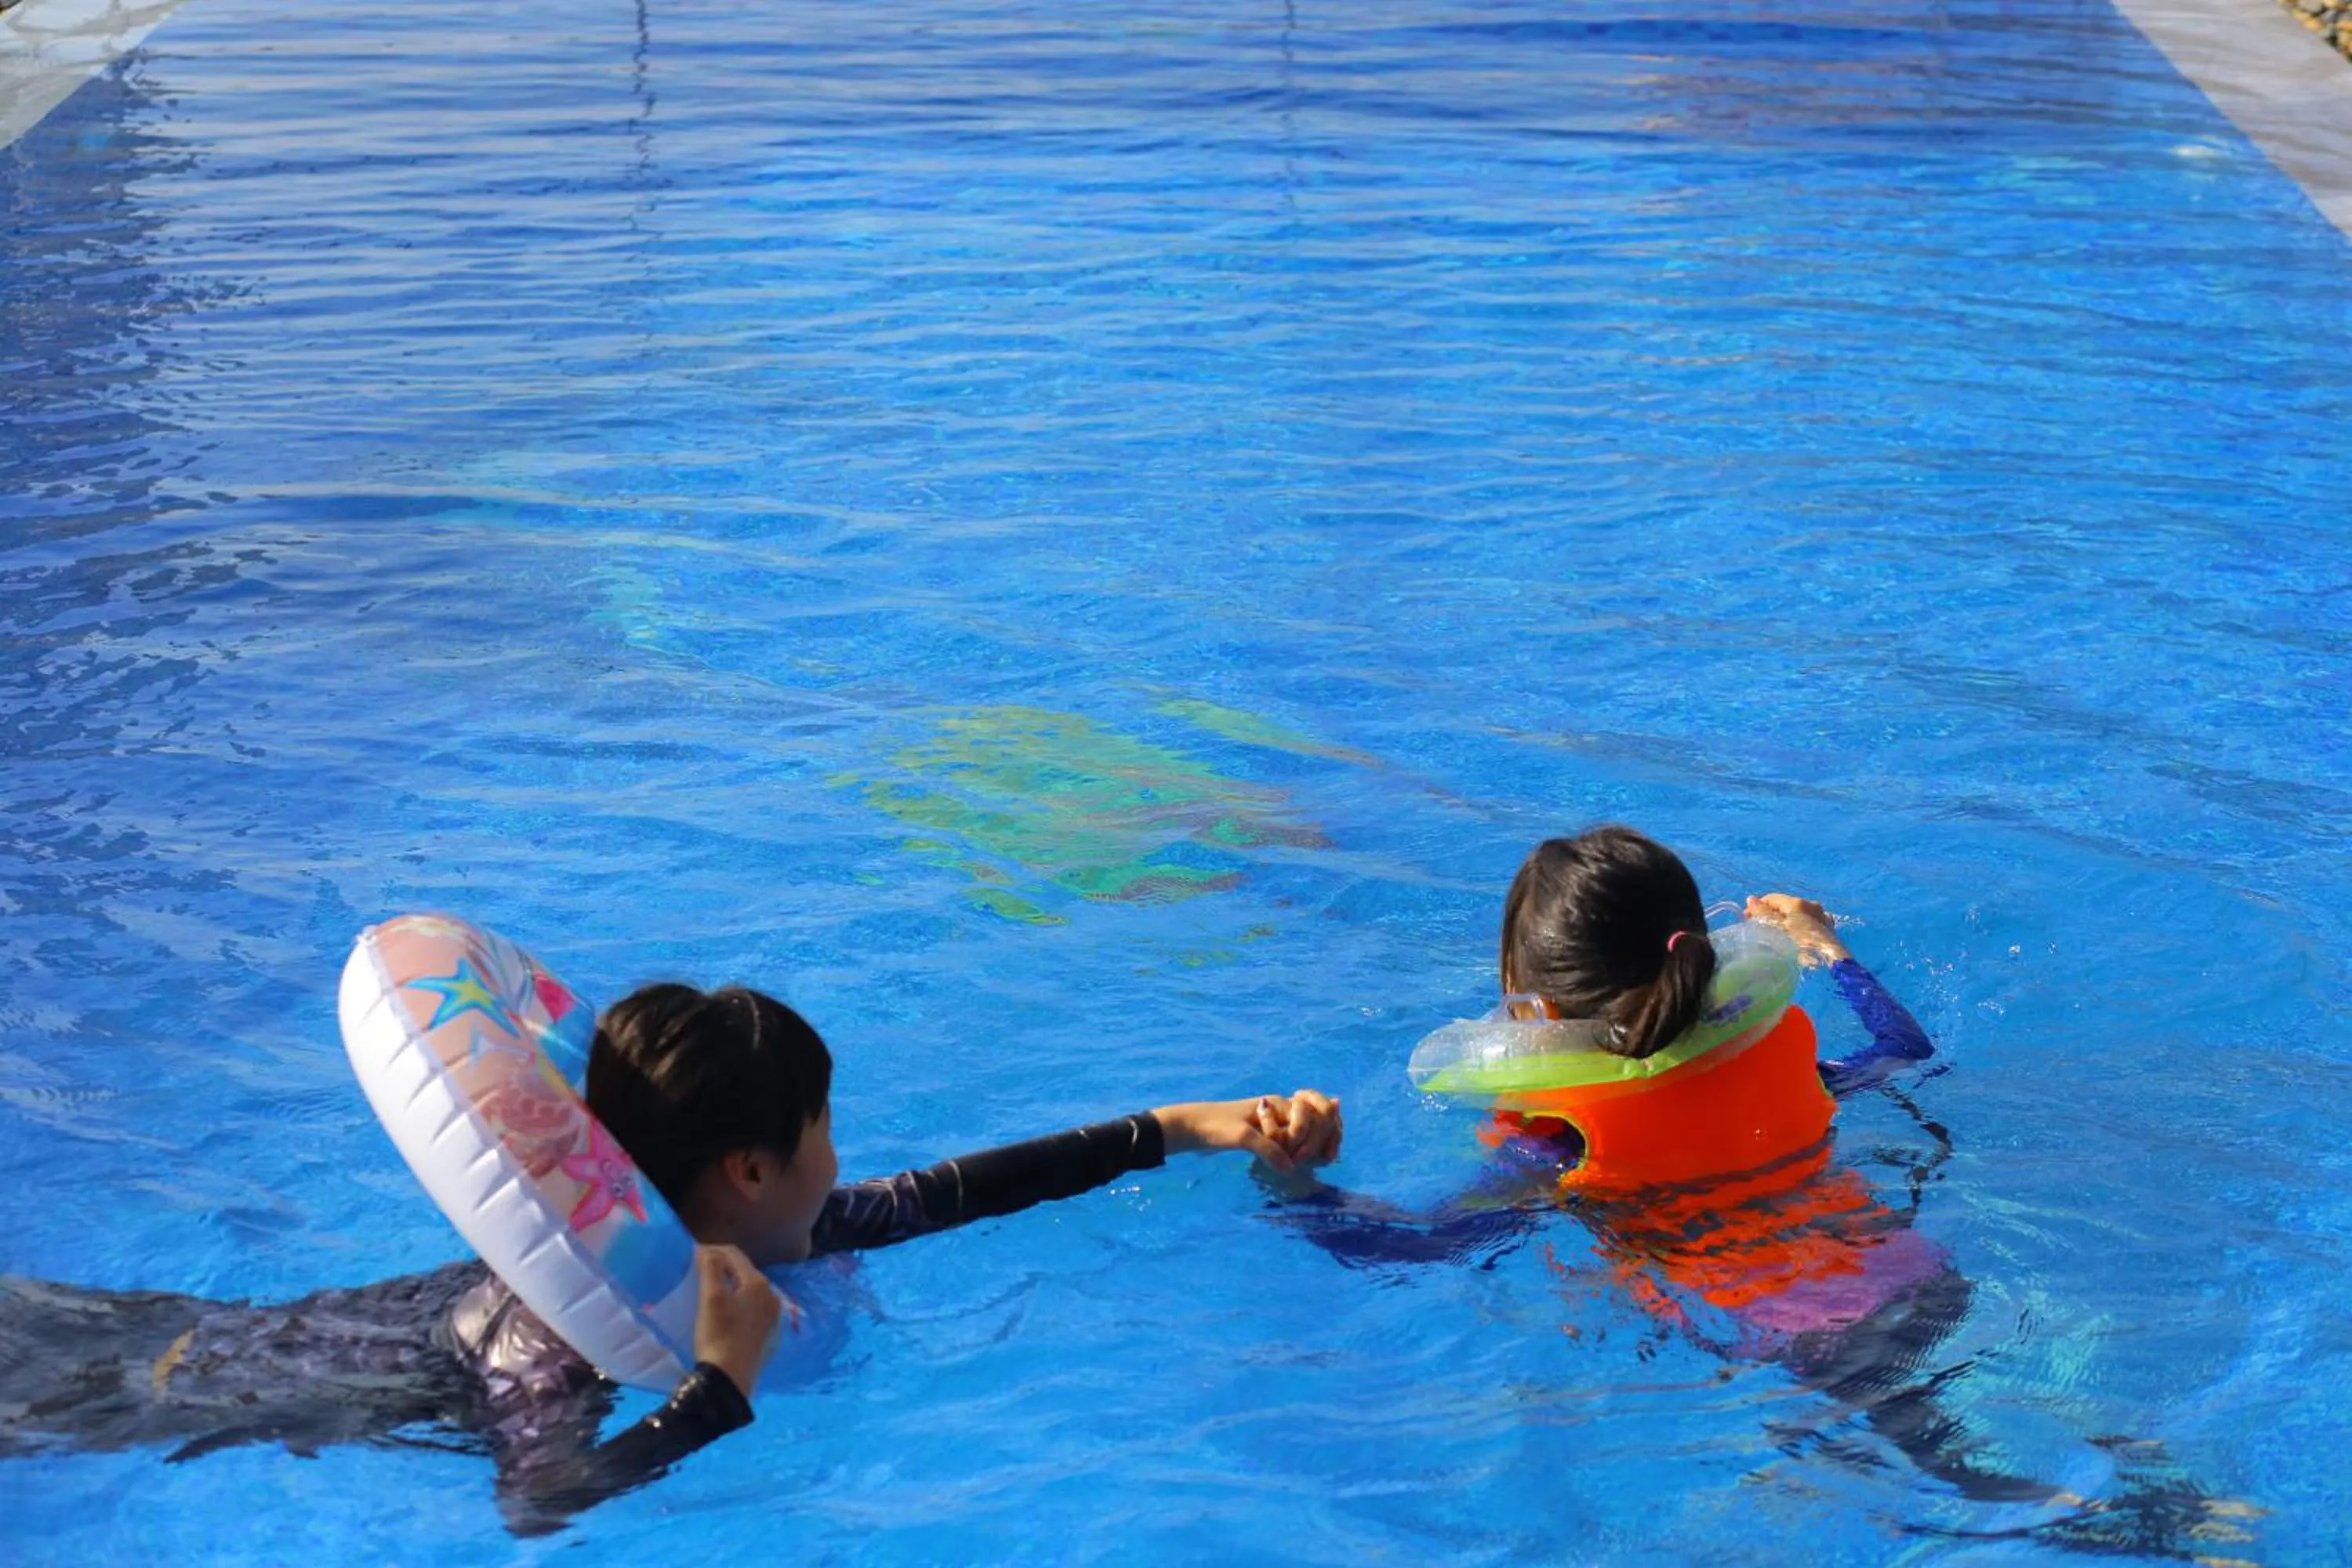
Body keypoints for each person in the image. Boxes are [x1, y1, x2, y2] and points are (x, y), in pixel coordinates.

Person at [0, 980, 1344, 1535]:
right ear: (749, 1171)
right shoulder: (560, 1332)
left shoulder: (776, 1224)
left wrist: (1183, 1128)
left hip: (203, 1319)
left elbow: (971, 1191)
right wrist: (721, 1394)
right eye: (827, 1132)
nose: (846, 1158)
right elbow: (542, 1503)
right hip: (179, 1387)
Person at [1276, 826, 2252, 1557]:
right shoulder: (1780, 1049)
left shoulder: (1557, 1132)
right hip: (1913, 1265)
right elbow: (1905, 1052)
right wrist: (1833, 952)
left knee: (1981, 1476)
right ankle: (2186, 1499)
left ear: (1532, 1004)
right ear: (1693, 943)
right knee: (2035, 1398)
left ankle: (2172, 1532)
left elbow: (1418, 1247)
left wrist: (1293, 1180)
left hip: (1815, 1334)